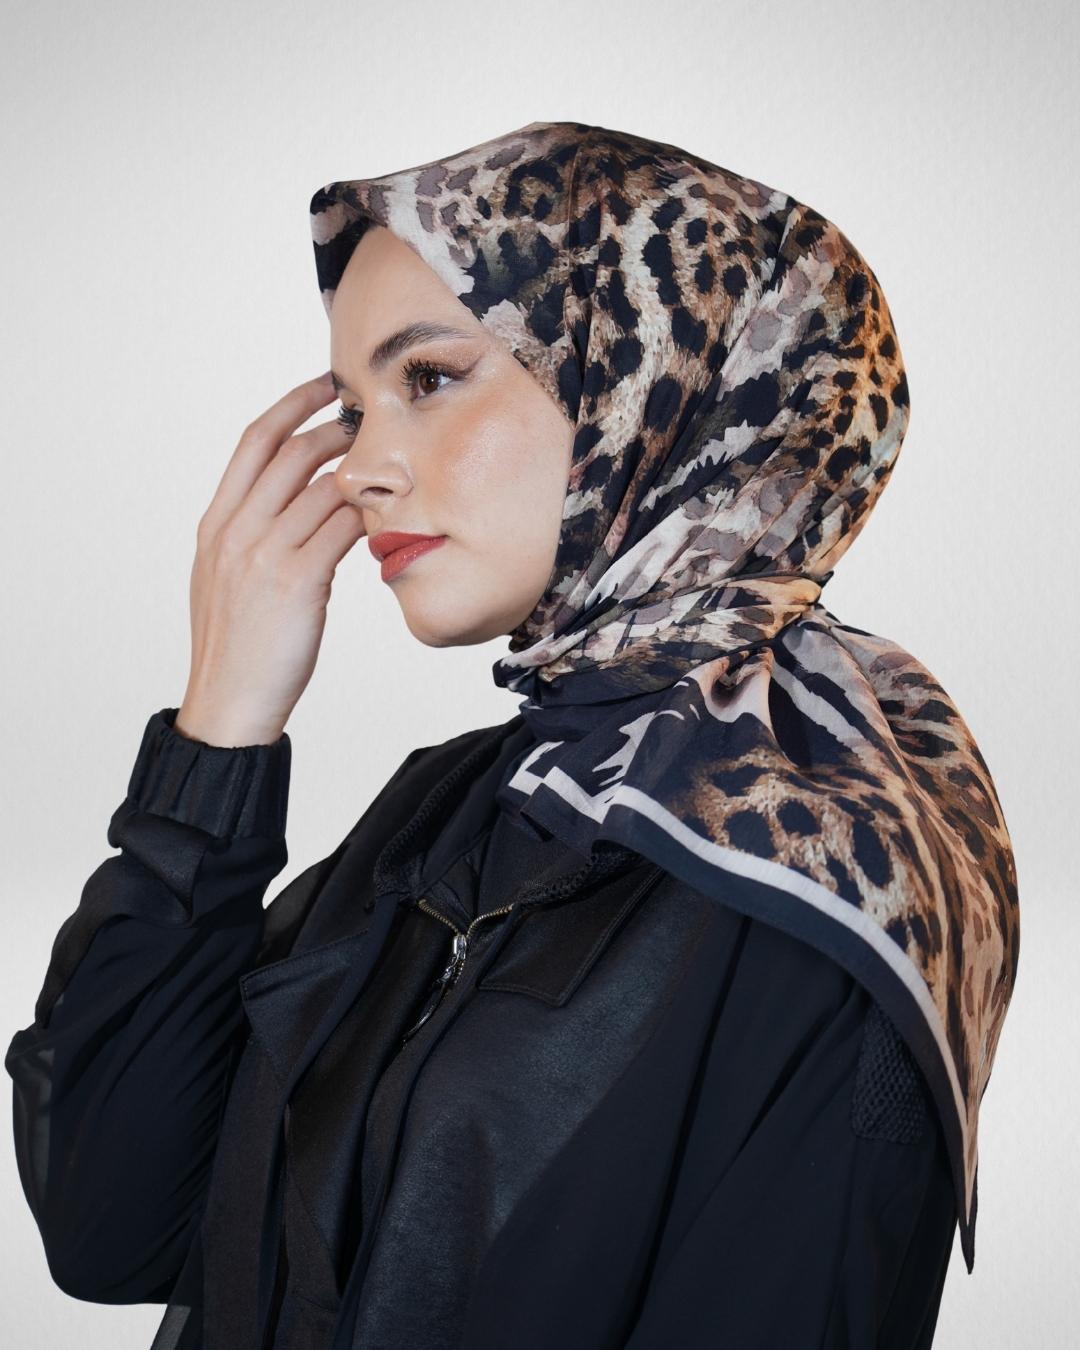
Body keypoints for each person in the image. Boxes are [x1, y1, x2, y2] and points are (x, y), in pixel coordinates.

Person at [6, 121, 1018, 1350]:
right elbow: (115, 1225)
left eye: (429, 379)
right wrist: (219, 734)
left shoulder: (824, 871)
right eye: (352, 408)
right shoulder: (454, 807)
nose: (360, 468)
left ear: (653, 379)